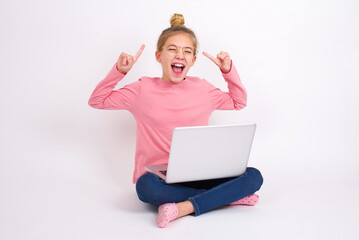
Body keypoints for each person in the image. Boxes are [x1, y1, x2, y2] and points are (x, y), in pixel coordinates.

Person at [88, 13, 263, 228]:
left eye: (187, 51)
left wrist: (227, 71)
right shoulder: (141, 89)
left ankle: (181, 208)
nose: (180, 55)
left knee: (254, 176)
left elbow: (239, 102)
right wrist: (119, 72)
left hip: (199, 172)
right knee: (145, 188)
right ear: (159, 55)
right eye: (172, 49)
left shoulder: (203, 88)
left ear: (193, 61)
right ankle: (228, 197)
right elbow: (97, 101)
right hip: (159, 178)